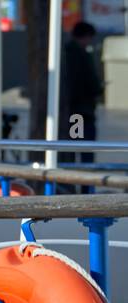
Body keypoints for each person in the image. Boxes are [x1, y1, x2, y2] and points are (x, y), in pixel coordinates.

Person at [61, 20, 103, 182]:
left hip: (73, 113)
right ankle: (85, 189)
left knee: (73, 149)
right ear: (85, 37)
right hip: (81, 113)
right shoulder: (81, 56)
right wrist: (99, 89)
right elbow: (91, 83)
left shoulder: (65, 54)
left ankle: (74, 185)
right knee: (85, 153)